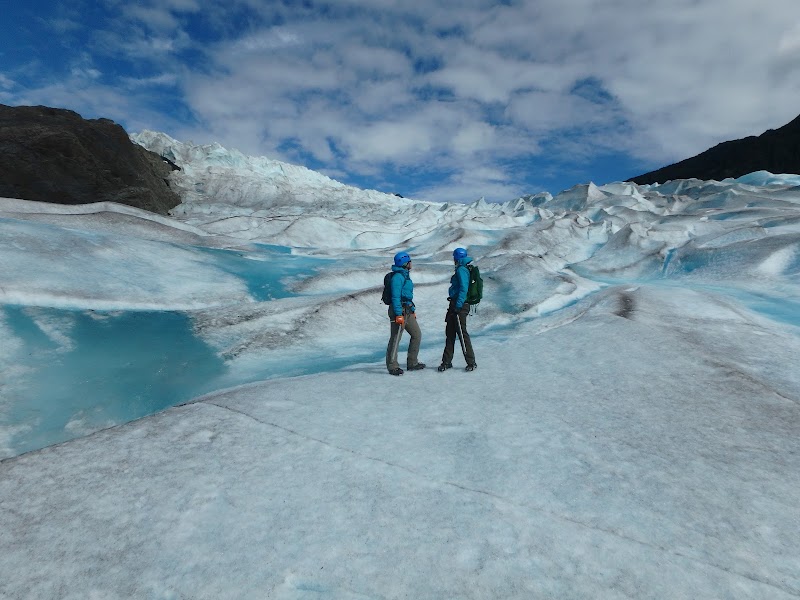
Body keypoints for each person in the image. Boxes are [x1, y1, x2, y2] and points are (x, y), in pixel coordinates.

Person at [386, 251, 425, 376]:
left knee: (417, 334)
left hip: (407, 310)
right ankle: (392, 366)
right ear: (405, 263)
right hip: (399, 311)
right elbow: (395, 297)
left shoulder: (405, 275)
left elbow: (407, 295)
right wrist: (398, 314)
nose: (411, 263)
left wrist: (412, 310)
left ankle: (412, 362)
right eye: (409, 261)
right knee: (395, 338)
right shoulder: (398, 277)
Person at [438, 247, 477, 372]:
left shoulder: (461, 270)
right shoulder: (463, 268)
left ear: (457, 258)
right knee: (450, 333)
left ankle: (471, 362)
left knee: (461, 333)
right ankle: (446, 361)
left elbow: (463, 288)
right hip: (455, 304)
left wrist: (458, 305)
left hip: (459, 305)